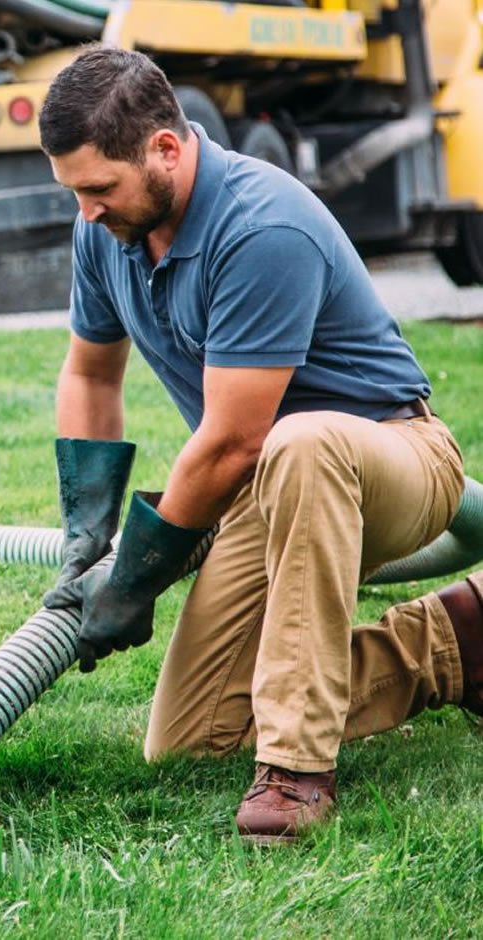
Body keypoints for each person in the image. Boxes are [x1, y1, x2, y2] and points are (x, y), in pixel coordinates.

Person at [37, 45, 482, 843]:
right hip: (267, 488)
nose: (87, 212)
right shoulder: (104, 231)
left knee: (300, 442)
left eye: (99, 188)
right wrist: (87, 526)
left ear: (165, 149)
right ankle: (460, 641)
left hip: (391, 458)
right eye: (72, 191)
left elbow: (238, 441)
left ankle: (297, 774)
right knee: (192, 739)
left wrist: (138, 574)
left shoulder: (261, 225)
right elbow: (91, 376)